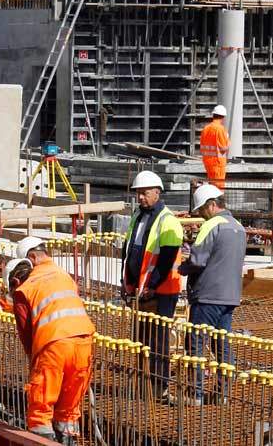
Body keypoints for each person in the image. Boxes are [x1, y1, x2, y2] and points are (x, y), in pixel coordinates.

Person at [12, 237, 95, 445]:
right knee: (69, 405)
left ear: (31, 258)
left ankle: (42, 438)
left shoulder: (26, 286)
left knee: (41, 403)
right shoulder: (64, 275)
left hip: (54, 345)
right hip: (84, 341)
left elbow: (25, 332)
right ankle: (67, 437)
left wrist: (34, 361)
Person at [178, 184, 246, 405]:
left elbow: (198, 261)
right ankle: (222, 394)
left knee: (196, 343)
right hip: (230, 296)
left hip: (207, 296)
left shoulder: (212, 225)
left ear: (212, 205)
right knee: (222, 344)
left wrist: (181, 266)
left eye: (201, 210)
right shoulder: (238, 227)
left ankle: (195, 394)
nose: (199, 214)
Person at [121, 170, 184, 399]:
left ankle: (160, 387)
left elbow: (166, 259)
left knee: (158, 342)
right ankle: (144, 385)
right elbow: (129, 252)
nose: (140, 198)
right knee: (142, 340)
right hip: (141, 290)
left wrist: (153, 285)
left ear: (157, 193)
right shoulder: (138, 217)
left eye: (144, 193)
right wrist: (126, 281)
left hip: (162, 292)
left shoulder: (168, 221)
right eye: (138, 193)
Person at [200, 105, 230, 189]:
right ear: (223, 117)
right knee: (219, 188)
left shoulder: (206, 128)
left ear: (213, 115)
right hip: (217, 163)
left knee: (211, 186)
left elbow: (202, 147)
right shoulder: (220, 129)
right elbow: (223, 149)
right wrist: (228, 142)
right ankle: (218, 202)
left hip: (207, 162)